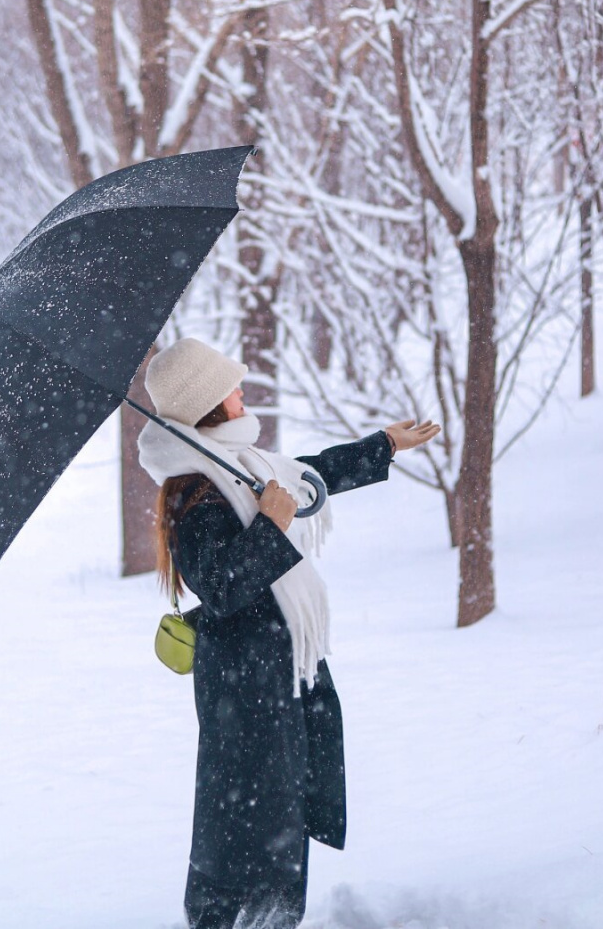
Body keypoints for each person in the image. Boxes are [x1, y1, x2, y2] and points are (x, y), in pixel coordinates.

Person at [137, 337, 439, 929]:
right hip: (244, 688)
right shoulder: (192, 493)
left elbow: (307, 476)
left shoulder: (238, 466)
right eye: (229, 385)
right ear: (208, 404)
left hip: (277, 673)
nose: (241, 389)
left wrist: (383, 446)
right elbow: (221, 587)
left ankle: (269, 917)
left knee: (279, 816)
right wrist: (271, 524)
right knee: (247, 828)